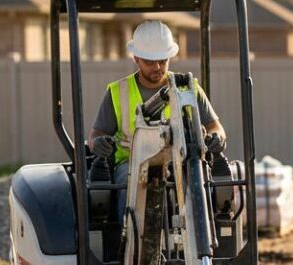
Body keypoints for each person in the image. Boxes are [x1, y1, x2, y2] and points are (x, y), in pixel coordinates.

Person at [87, 21, 226, 195]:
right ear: (136, 59)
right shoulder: (117, 92)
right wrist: (98, 143)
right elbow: (96, 135)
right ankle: (127, 222)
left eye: (162, 61)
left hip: (180, 162)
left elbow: (215, 127)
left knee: (198, 183)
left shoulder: (187, 88)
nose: (157, 67)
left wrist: (216, 137)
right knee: (129, 184)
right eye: (150, 62)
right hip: (131, 165)